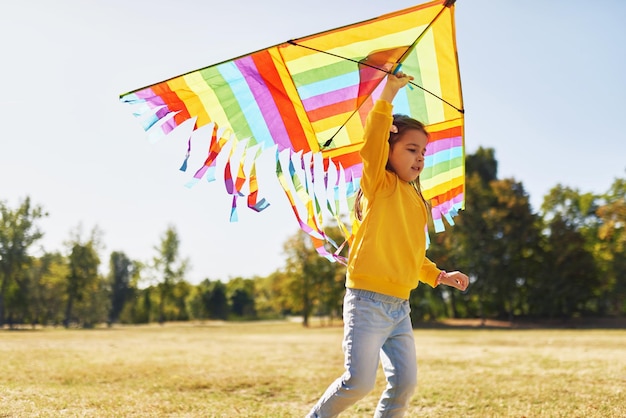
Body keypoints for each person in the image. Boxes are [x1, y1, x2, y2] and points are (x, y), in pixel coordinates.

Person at [306, 71, 469, 418]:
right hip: (367, 302)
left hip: (400, 307)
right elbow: (372, 145)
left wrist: (439, 275)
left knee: (405, 383)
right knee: (359, 383)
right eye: (411, 149)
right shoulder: (380, 185)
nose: (420, 157)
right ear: (389, 150)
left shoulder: (417, 200)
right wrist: (388, 94)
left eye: (423, 151)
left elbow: (413, 254)